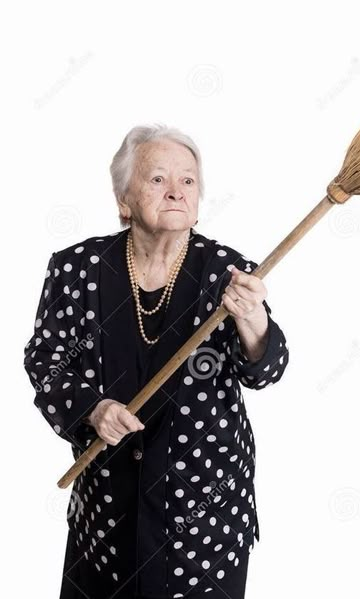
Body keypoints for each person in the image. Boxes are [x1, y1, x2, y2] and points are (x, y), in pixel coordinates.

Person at [23, 123, 290, 599]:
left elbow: (265, 370)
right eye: (157, 179)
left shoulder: (225, 271)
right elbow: (46, 361)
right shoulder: (76, 269)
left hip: (203, 514)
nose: (176, 191)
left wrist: (252, 320)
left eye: (188, 181)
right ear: (123, 200)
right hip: (105, 515)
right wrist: (93, 409)